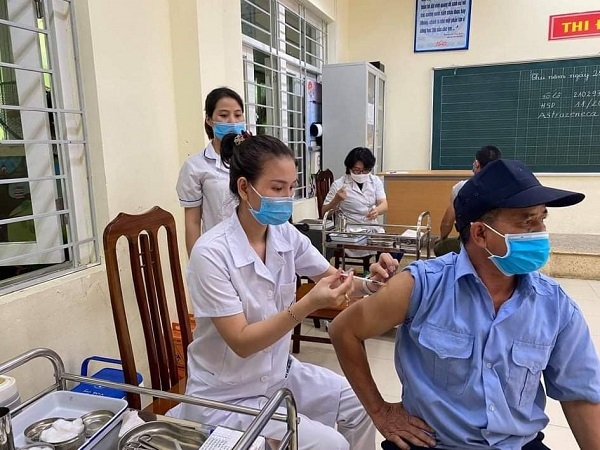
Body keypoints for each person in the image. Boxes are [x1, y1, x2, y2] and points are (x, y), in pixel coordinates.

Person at [329, 159, 600, 450]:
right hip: (432, 443)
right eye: (527, 221)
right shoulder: (422, 287)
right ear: (480, 233)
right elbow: (344, 330)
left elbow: (580, 395)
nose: (540, 232)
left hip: (517, 444)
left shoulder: (554, 305)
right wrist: (380, 411)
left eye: (542, 218)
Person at [169, 132, 399, 449]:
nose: (286, 198)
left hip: (278, 373)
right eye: (277, 188)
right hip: (226, 395)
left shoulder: (284, 235)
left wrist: (371, 283)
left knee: (360, 404)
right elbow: (242, 342)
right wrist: (307, 305)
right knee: (331, 444)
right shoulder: (211, 253)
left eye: (291, 188)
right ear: (244, 188)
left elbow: (334, 278)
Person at [176, 87, 246, 255]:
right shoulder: (195, 166)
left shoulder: (257, 159)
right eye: (223, 115)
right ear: (209, 119)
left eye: (238, 115)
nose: (232, 121)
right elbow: (192, 222)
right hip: (218, 252)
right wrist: (196, 261)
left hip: (256, 248)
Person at [435, 145, 501, 256]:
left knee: (440, 248)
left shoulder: (462, 188)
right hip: (499, 245)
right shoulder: (508, 188)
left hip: (470, 245)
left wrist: (442, 238)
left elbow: (447, 222)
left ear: (477, 164)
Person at [322, 147, 388, 260]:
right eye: (357, 170)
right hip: (350, 231)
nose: (361, 174)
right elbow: (324, 211)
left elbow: (384, 205)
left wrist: (377, 210)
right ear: (349, 168)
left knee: (394, 249)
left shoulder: (375, 181)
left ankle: (380, 269)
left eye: (365, 170)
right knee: (379, 249)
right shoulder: (339, 184)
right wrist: (336, 200)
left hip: (372, 228)